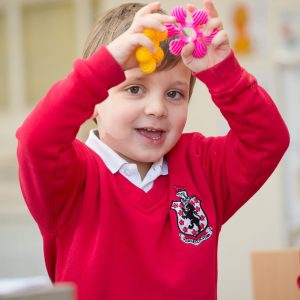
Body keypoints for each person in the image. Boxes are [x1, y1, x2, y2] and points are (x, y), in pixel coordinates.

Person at [16, 1, 289, 299]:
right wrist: (101, 69)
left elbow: (267, 139)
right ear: (94, 100)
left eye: (174, 94)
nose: (157, 109)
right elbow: (36, 140)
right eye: (134, 89)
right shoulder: (70, 178)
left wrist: (223, 74)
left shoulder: (202, 167)